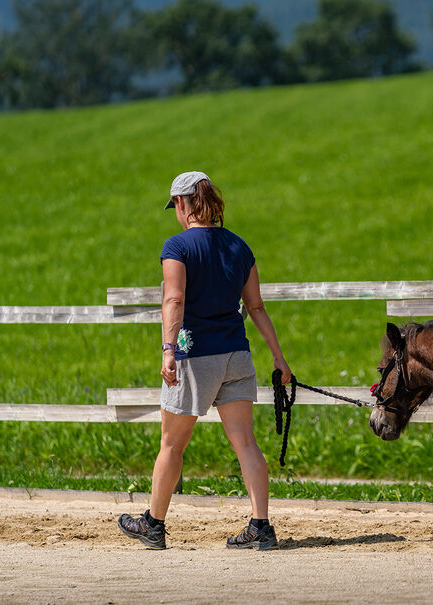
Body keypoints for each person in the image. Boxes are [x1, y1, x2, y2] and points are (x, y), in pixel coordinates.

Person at [118, 171, 292, 550]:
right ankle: (261, 526)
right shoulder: (239, 246)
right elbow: (257, 307)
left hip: (194, 355)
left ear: (182, 203)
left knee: (172, 444)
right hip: (237, 354)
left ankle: (153, 524)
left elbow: (174, 300)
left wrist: (168, 349)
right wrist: (280, 359)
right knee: (246, 442)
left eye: (175, 207)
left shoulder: (177, 246)